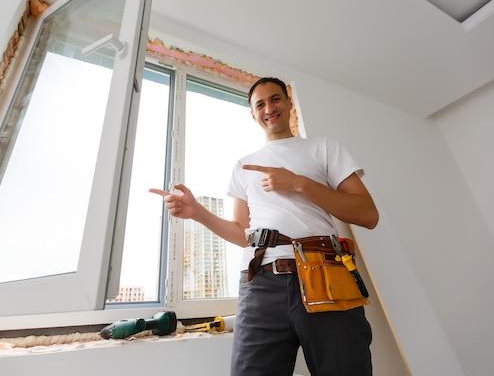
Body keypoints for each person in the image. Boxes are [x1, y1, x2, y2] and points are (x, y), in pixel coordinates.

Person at [150, 77, 379, 376]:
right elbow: (242, 232)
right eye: (260, 104)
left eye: (275, 99)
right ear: (253, 113)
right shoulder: (244, 165)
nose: (269, 108)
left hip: (324, 275)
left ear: (289, 102)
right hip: (260, 284)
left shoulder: (324, 148)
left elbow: (367, 214)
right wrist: (198, 213)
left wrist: (298, 183)